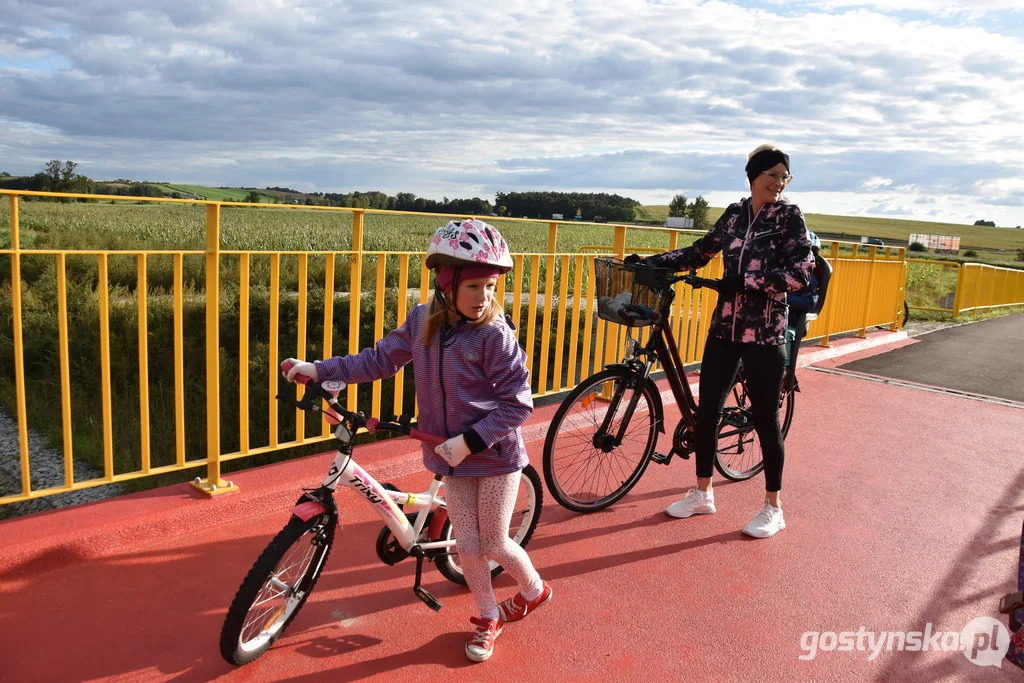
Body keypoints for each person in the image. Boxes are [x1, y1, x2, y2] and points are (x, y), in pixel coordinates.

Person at [282, 219, 551, 663]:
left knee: (494, 543)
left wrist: (471, 441)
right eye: (474, 287)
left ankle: (535, 590)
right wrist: (320, 370)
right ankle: (488, 616)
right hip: (449, 457)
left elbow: (519, 404)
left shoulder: (494, 335)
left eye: (490, 286)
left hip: (495, 456)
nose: (484, 297)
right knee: (466, 546)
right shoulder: (423, 321)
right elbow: (379, 360)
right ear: (447, 284)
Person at [636, 144, 814, 538]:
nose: (779, 183)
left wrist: (748, 281)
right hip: (725, 328)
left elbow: (801, 273)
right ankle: (703, 494)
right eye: (772, 175)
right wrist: (650, 263)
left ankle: (773, 507)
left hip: (765, 333)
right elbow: (701, 252)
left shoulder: (789, 217)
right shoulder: (735, 214)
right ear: (753, 176)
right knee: (707, 411)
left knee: (766, 419)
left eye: (785, 177)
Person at [784, 230, 832, 391]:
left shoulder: (811, 281)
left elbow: (810, 303)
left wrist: (783, 298)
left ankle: (786, 370)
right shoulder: (784, 271)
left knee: (784, 335)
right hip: (770, 317)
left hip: (792, 322)